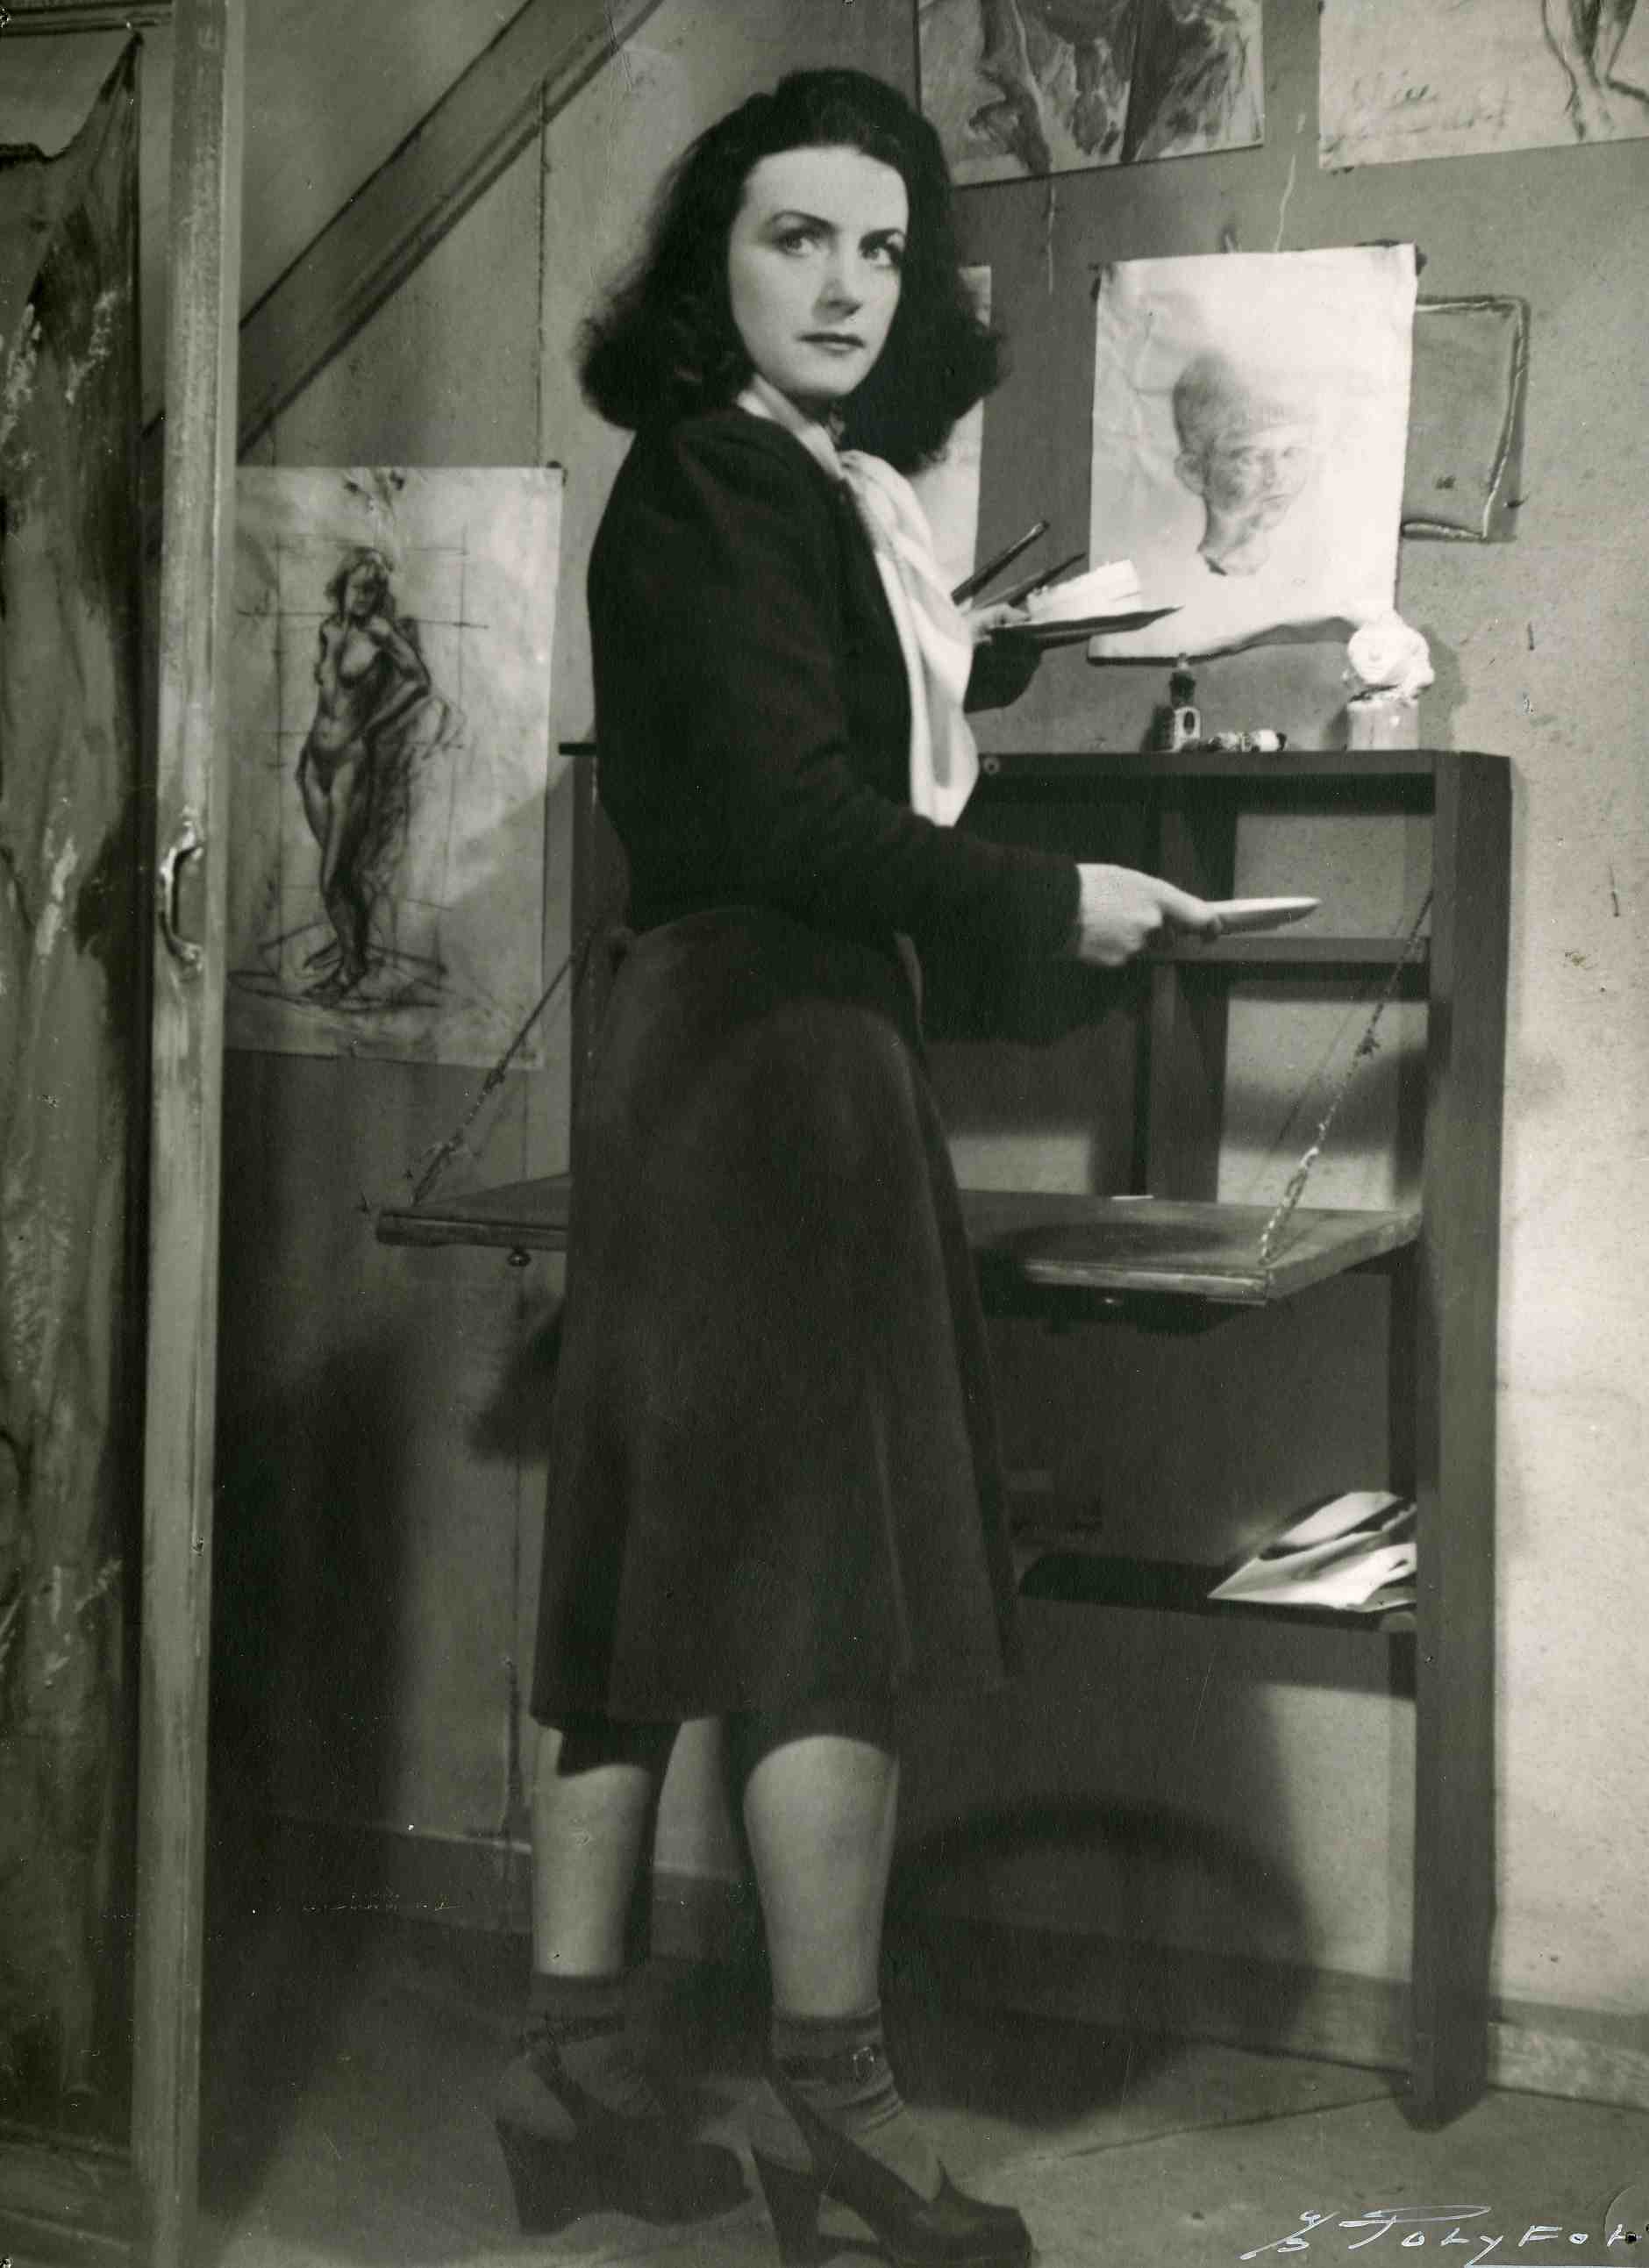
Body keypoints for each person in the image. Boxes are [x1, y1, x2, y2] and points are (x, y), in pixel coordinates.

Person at [496, 68, 1218, 2268]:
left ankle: (573, 2068)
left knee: (647, 1570)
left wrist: (1019, 927)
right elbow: (788, 823)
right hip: (775, 1064)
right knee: (831, 1602)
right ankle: (837, 2104)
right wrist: (1050, 902)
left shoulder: (782, 481)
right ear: (710, 264)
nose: (844, 285)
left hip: (713, 1043)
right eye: (795, 237)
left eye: (882, 248)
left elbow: (786, 818)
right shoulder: (727, 480)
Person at [296, 546, 433, 995]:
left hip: (350, 767)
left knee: (331, 879)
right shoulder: (328, 630)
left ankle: (350, 968)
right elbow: (328, 699)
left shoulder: (380, 633)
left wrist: (372, 727)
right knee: (340, 876)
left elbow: (419, 681)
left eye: (372, 590)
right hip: (314, 765)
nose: (363, 597)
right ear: (342, 586)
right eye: (357, 587)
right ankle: (350, 952)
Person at [1169, 350, 1320, 577]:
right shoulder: (1173, 576)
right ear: (1194, 472)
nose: (1277, 476)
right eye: (1250, 458)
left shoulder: (1309, 568)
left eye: (1290, 453)